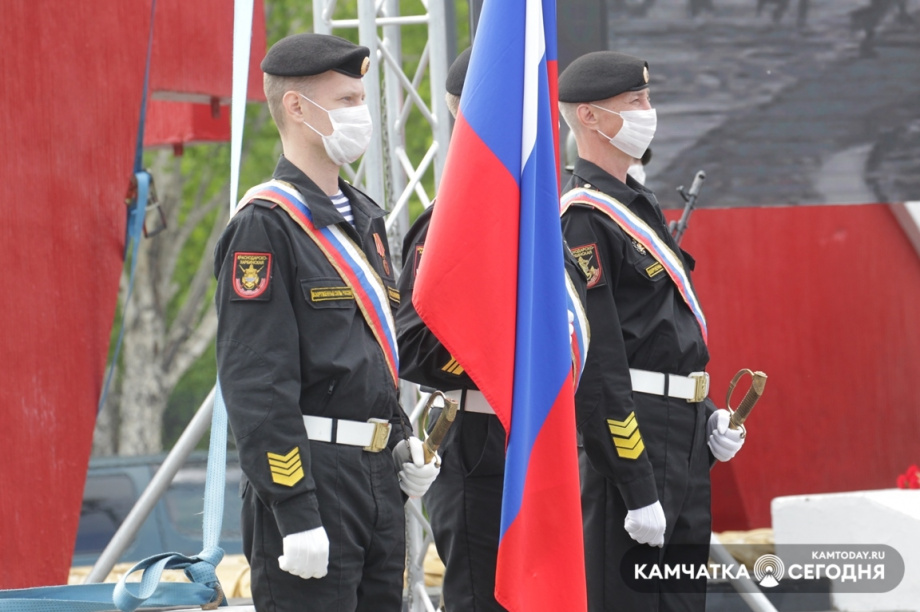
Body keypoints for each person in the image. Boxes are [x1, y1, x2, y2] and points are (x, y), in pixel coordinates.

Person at [214, 33, 440, 612]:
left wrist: (400, 442)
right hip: (312, 477)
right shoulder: (266, 225)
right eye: (346, 101)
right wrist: (293, 507)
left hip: (375, 479)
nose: (361, 114)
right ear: (297, 107)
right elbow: (256, 382)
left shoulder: (363, 217)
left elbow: (368, 355)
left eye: (361, 100)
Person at [395, 48, 589, 612]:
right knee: (484, 598)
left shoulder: (546, 219)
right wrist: (501, 352)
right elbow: (411, 342)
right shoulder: (447, 229)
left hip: (547, 432)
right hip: (480, 439)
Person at [557, 51, 746, 611]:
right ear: (590, 116)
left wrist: (704, 414)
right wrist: (636, 484)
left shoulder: (637, 205)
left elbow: (660, 336)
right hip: (633, 441)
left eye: (647, 98)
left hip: (679, 437)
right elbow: (600, 361)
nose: (648, 111)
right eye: (634, 101)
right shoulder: (584, 217)